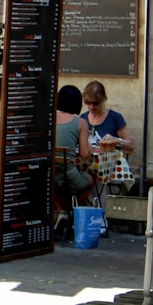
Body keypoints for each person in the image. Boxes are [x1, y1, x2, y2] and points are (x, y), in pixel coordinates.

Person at [54, 85, 95, 225]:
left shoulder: (48, 118)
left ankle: (60, 211)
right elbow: (84, 154)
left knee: (52, 184)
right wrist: (89, 147)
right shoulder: (80, 122)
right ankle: (69, 210)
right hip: (67, 174)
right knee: (89, 180)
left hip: (47, 173)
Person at [80, 80, 134, 154]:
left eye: (96, 103)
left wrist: (116, 141)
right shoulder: (82, 118)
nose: (91, 107)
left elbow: (131, 145)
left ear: (103, 100)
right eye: (87, 102)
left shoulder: (115, 118)